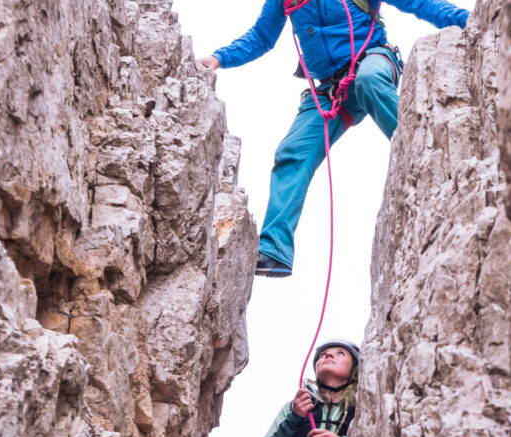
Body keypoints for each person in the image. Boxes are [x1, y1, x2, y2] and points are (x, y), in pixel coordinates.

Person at [198, 0, 470, 277]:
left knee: (370, 81)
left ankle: (425, 155)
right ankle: (273, 251)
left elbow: (418, 3)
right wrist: (220, 58)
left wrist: (468, 20)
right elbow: (262, 36)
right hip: (331, 89)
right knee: (293, 152)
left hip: (373, 60)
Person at [254, 339, 361, 437]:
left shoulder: (361, 409)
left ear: (355, 372)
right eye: (322, 355)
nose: (328, 355)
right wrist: (295, 418)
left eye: (340, 353)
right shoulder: (294, 407)